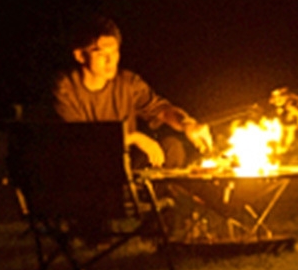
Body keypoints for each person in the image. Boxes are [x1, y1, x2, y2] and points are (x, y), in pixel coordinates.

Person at [52, 15, 211, 168]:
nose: (110, 61)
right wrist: (132, 138)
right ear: (80, 55)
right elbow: (78, 142)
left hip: (125, 163)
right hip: (87, 168)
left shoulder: (128, 82)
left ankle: (159, 194)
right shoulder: (65, 88)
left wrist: (187, 124)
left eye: (114, 52)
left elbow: (161, 111)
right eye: (101, 54)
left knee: (171, 147)